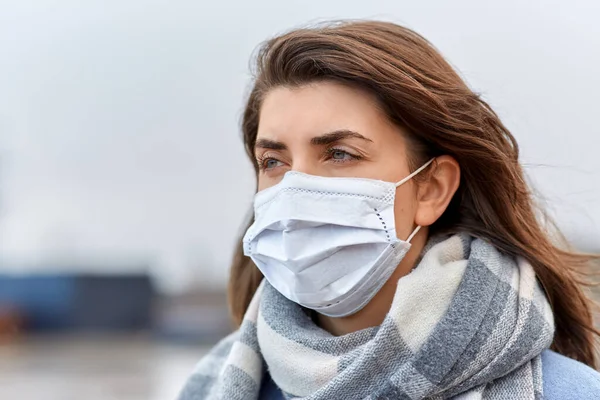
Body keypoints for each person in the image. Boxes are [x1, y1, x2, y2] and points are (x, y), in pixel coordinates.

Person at [178, 20, 600, 399]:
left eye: (340, 154)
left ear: (432, 189)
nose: (295, 189)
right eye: (274, 161)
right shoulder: (211, 386)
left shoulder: (569, 393)